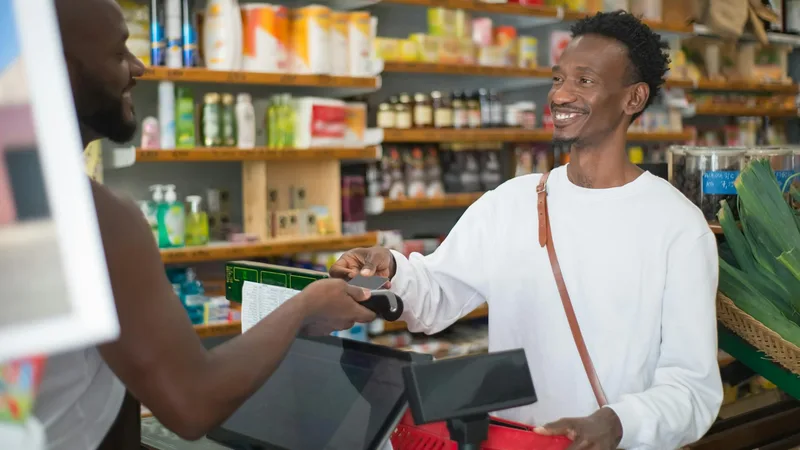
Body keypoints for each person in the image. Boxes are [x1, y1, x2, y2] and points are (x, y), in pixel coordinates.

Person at [331, 11, 723, 450]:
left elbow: (692, 389)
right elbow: (437, 297)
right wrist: (392, 269)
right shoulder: (512, 202)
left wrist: (616, 423)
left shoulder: (677, 227)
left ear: (633, 99)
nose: (562, 94)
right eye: (558, 79)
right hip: (515, 443)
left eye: (585, 81)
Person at [34, 0, 377, 448]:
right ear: (62, 70)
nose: (139, 67)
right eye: (119, 54)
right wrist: (304, 307)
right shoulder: (94, 217)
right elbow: (193, 403)